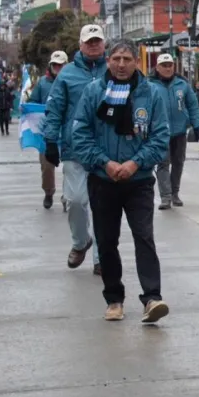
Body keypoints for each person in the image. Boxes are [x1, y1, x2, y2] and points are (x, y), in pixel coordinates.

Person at [71, 40, 170, 323]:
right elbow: (80, 135)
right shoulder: (94, 92)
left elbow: (160, 137)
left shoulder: (150, 94)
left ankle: (152, 298)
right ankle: (114, 299)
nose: (122, 64)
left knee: (144, 237)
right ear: (108, 60)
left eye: (127, 58)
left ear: (136, 62)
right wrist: (106, 163)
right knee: (106, 241)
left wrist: (134, 163)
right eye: (116, 58)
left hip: (138, 181)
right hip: (103, 179)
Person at [43, 24, 108, 275]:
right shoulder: (67, 74)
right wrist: (50, 140)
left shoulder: (115, 69)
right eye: (89, 41)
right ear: (80, 45)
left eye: (97, 41)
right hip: (74, 149)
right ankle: (81, 242)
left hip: (106, 150)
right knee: (77, 201)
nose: (93, 45)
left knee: (102, 206)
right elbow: (54, 109)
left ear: (104, 44)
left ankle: (101, 258)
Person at [149, 53, 199, 210]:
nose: (167, 68)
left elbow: (193, 105)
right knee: (163, 163)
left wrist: (198, 125)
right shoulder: (150, 85)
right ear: (157, 67)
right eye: (164, 65)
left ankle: (175, 193)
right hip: (159, 132)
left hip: (180, 130)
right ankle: (165, 196)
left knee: (178, 162)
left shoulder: (182, 84)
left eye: (170, 65)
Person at [29, 50, 68, 209]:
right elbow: (33, 102)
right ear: (50, 65)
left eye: (61, 65)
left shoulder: (72, 82)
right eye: (55, 65)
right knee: (46, 165)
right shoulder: (42, 83)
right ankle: (48, 192)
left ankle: (68, 196)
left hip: (68, 131)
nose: (58, 68)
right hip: (47, 132)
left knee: (72, 166)